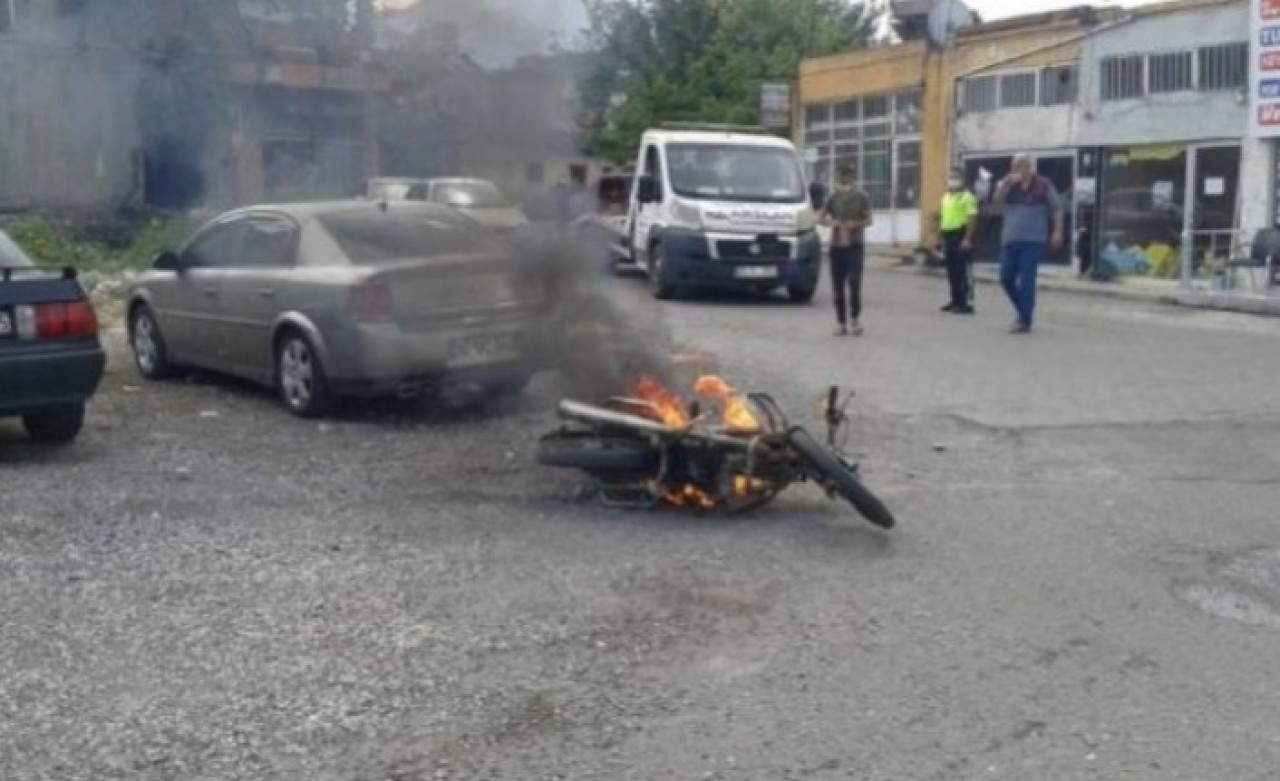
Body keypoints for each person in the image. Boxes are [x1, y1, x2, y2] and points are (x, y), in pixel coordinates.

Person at [992, 154, 1064, 334]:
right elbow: (996, 201)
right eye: (1015, 167)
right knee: (1006, 278)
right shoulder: (1008, 184)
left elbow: (1057, 208)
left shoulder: (1043, 184)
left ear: (1030, 168)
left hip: (1033, 241)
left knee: (1027, 280)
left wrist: (1057, 231)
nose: (1019, 170)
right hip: (1010, 240)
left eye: (1022, 166)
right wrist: (1006, 183)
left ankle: (1024, 320)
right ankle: (1024, 311)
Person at [819, 166, 873, 336]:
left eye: (848, 181)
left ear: (853, 181)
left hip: (855, 246)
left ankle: (855, 319)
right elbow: (820, 218)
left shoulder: (862, 198)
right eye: (842, 181)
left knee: (854, 283)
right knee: (838, 287)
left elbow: (869, 220)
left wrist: (854, 224)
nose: (845, 184)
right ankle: (841, 322)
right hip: (836, 247)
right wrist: (830, 223)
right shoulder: (833, 198)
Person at [939, 167, 979, 314]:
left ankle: (965, 303)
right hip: (948, 235)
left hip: (961, 234)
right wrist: (941, 239)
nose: (952, 181)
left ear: (962, 179)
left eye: (955, 177)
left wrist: (968, 239)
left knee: (962, 270)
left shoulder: (968, 197)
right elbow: (944, 217)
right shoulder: (946, 197)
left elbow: (972, 219)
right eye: (950, 177)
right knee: (952, 270)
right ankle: (955, 300)